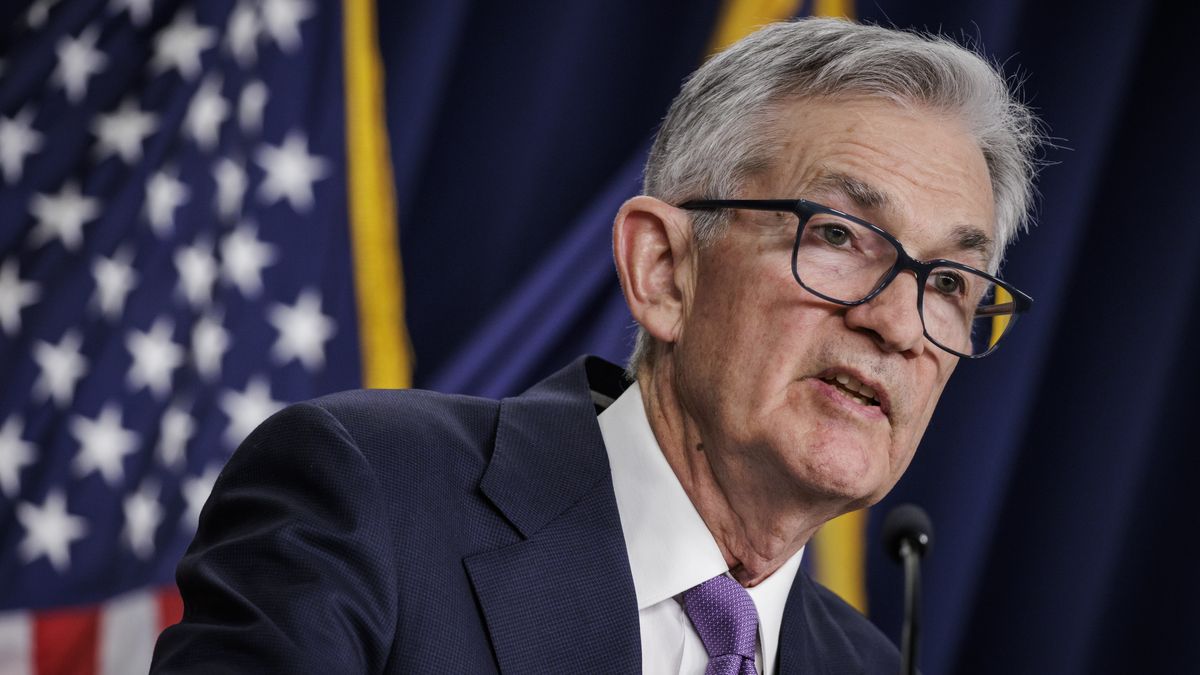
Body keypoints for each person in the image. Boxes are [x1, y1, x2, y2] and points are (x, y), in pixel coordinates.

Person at [151, 17, 1040, 674]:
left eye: (950, 283)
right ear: (663, 268)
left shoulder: (870, 666)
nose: (895, 322)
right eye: (842, 236)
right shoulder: (371, 496)